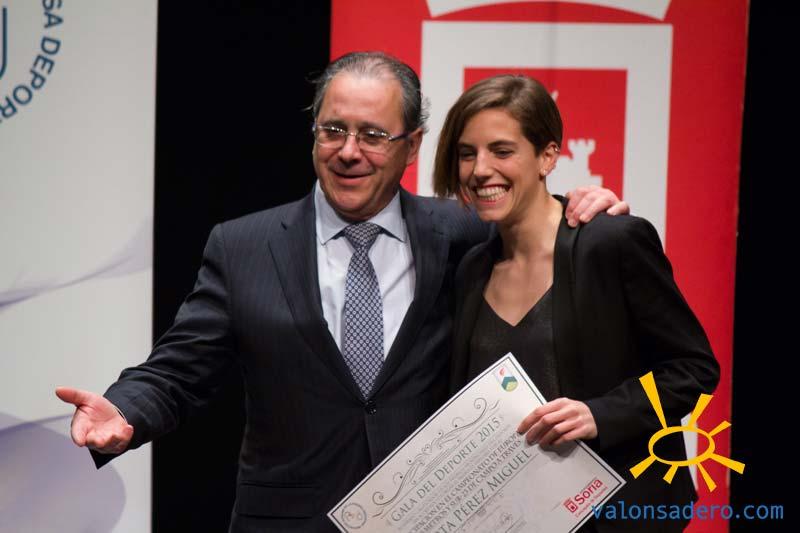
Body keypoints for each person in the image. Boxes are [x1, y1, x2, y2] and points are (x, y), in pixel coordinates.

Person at [55, 53, 626, 532]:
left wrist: (582, 211)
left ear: (412, 146)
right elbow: (177, 370)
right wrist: (125, 409)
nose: (349, 151)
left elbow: (536, 229)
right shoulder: (244, 246)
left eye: (373, 135)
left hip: (430, 520)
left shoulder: (464, 233)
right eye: (333, 130)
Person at [434, 74, 719, 532]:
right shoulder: (471, 268)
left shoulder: (611, 242)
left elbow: (693, 369)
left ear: (548, 156)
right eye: (467, 153)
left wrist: (599, 414)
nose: (479, 169)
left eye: (502, 151)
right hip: (514, 520)